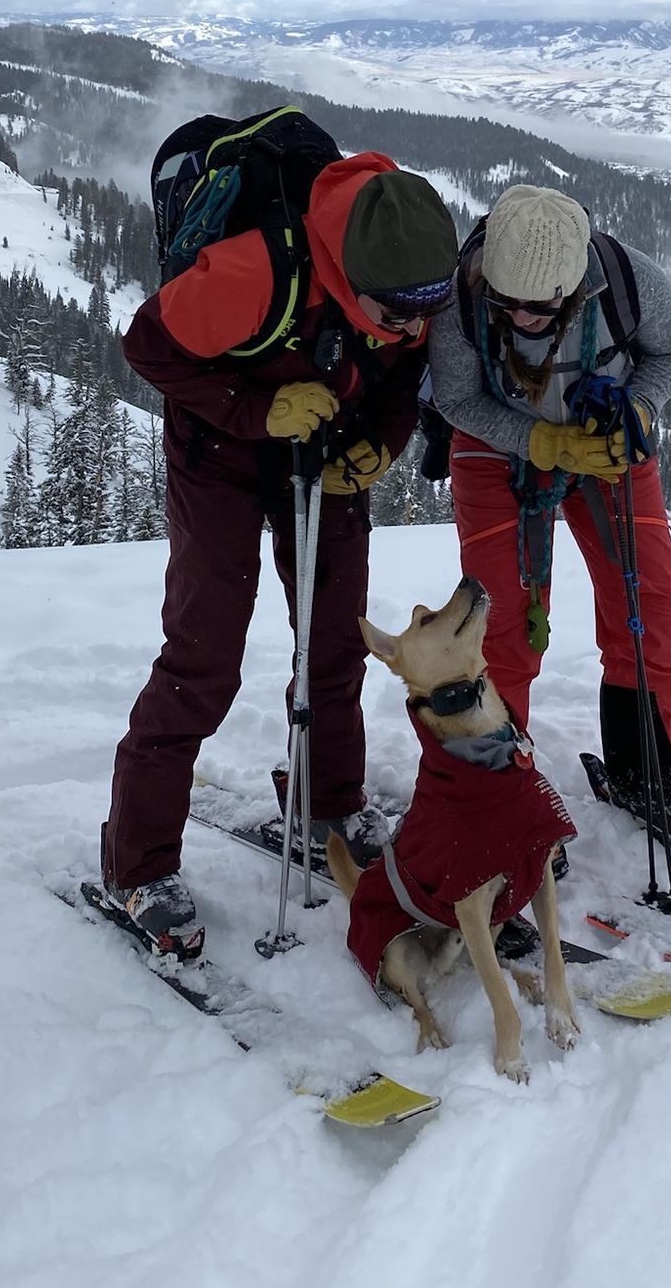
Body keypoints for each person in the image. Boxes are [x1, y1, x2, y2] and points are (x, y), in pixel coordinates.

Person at [100, 152, 459, 953]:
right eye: (394, 313)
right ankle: (136, 864)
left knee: (334, 643)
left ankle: (327, 806)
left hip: (329, 449)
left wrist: (383, 445)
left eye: (422, 314)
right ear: (345, 270)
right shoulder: (255, 272)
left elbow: (405, 374)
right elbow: (147, 345)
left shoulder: (411, 286)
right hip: (219, 454)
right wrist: (256, 410)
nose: (410, 329)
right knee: (203, 657)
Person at [428, 183, 671, 847]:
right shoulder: (463, 297)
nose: (526, 318)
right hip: (495, 447)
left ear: (575, 280)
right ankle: (496, 790)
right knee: (499, 617)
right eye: (511, 304)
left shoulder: (628, 279)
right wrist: (538, 441)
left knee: (650, 597)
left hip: (606, 437)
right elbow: (454, 398)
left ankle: (650, 770)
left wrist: (639, 411)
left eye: (544, 306)